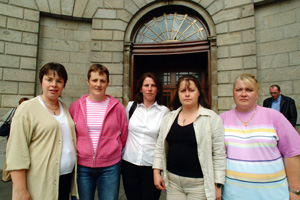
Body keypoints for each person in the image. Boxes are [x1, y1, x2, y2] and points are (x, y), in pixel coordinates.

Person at [220, 73, 300, 200]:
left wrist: (295, 191)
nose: (243, 94)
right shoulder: (222, 119)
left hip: (272, 194)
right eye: (239, 89)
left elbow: (292, 154)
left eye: (249, 90)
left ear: (257, 93)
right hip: (233, 195)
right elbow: (218, 157)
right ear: (233, 93)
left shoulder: (274, 117)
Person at [6, 62, 78, 199]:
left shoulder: (65, 108)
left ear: (64, 85)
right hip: (39, 183)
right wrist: (20, 191)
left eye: (59, 81)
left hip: (65, 180)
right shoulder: (27, 108)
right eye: (49, 79)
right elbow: (17, 152)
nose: (54, 85)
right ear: (41, 81)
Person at [153, 75, 226, 200]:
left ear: (198, 93)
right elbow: (160, 146)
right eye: (183, 91)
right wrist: (156, 172)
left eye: (191, 90)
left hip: (199, 185)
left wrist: (217, 185)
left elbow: (219, 154)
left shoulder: (212, 118)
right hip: (173, 183)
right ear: (178, 94)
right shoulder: (169, 118)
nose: (187, 94)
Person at [69, 64, 128, 200]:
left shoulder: (117, 107)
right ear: (88, 81)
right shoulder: (76, 107)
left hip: (110, 167)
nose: (98, 84)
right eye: (94, 80)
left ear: (107, 83)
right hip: (82, 166)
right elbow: (71, 135)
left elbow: (123, 134)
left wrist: (113, 149)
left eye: (102, 81)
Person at [122, 72, 169, 200]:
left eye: (153, 85)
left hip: (151, 167)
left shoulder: (164, 111)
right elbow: (123, 131)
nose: (149, 89)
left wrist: (160, 169)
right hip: (129, 164)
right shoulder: (131, 107)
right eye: (146, 85)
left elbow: (164, 141)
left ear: (158, 89)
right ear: (140, 88)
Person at [1, 97, 29, 182]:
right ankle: (6, 176)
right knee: (10, 155)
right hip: (13, 135)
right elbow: (5, 119)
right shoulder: (15, 110)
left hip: (22, 135)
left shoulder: (27, 111)